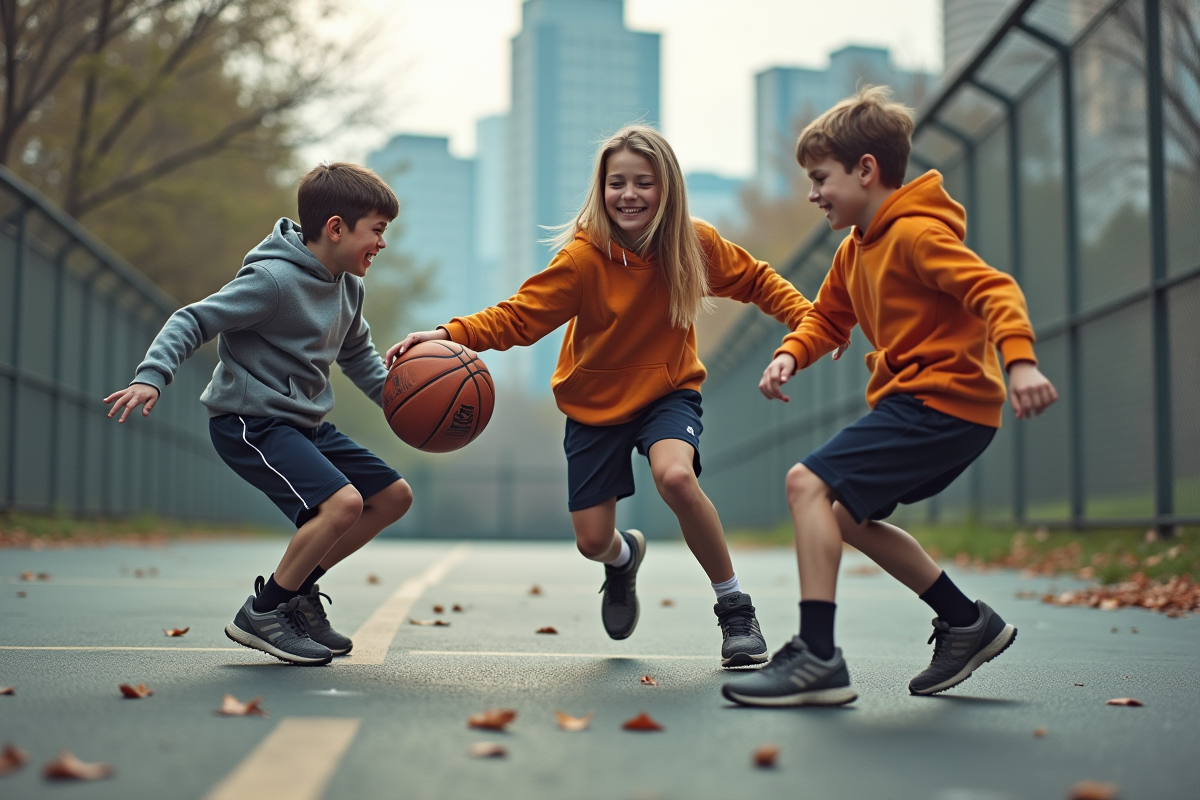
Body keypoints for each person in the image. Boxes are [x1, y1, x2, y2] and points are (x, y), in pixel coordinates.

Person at [388, 126, 829, 668]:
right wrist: (447, 335)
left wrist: (810, 323)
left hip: (668, 390)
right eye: (617, 182)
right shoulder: (582, 261)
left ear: (667, 189)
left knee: (675, 477)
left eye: (644, 182)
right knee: (593, 541)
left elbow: (759, 280)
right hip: (593, 404)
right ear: (601, 190)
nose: (629, 194)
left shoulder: (694, 245)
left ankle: (735, 608)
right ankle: (623, 560)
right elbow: (517, 317)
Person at [722, 86, 1059, 706]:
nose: (812, 192)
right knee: (845, 516)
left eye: (820, 177)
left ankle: (817, 657)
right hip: (926, 408)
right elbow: (827, 318)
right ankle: (965, 622)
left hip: (942, 402)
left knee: (805, 484)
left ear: (866, 171)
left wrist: (1021, 363)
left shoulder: (916, 236)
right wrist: (789, 354)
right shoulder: (855, 251)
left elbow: (995, 290)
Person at [104, 163, 413, 666]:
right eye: (377, 231)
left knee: (392, 496)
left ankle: (296, 595)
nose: (382, 243)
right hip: (250, 421)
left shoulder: (349, 288)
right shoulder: (272, 281)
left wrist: (405, 409)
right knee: (342, 505)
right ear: (336, 228)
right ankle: (264, 611)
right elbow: (193, 319)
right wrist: (151, 375)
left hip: (304, 424)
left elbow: (359, 359)